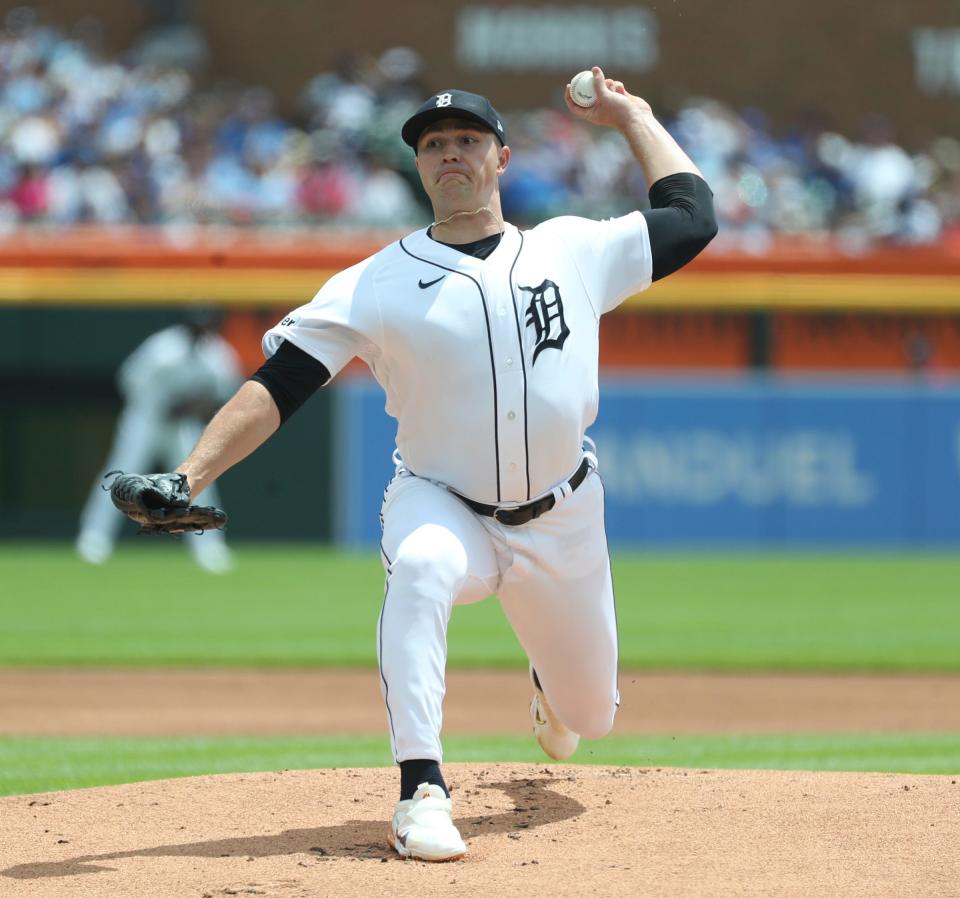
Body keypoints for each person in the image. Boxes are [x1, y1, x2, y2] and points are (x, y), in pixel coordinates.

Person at [139, 67, 716, 860]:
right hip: (442, 501)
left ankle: (553, 682)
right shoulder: (374, 283)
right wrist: (187, 476)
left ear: (501, 158)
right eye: (434, 144)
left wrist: (634, 117)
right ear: (417, 166)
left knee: (592, 718)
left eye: (468, 140)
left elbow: (692, 216)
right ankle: (421, 791)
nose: (450, 153)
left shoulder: (572, 249)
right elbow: (279, 386)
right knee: (420, 566)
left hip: (564, 513)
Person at [77, 309, 241, 573]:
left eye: (207, 323)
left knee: (195, 479)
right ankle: (94, 538)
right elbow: (129, 378)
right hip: (146, 418)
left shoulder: (217, 355)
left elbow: (224, 391)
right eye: (197, 323)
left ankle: (209, 548)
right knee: (119, 474)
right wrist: (160, 403)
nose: (201, 328)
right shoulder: (164, 346)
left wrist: (193, 406)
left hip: (182, 424)